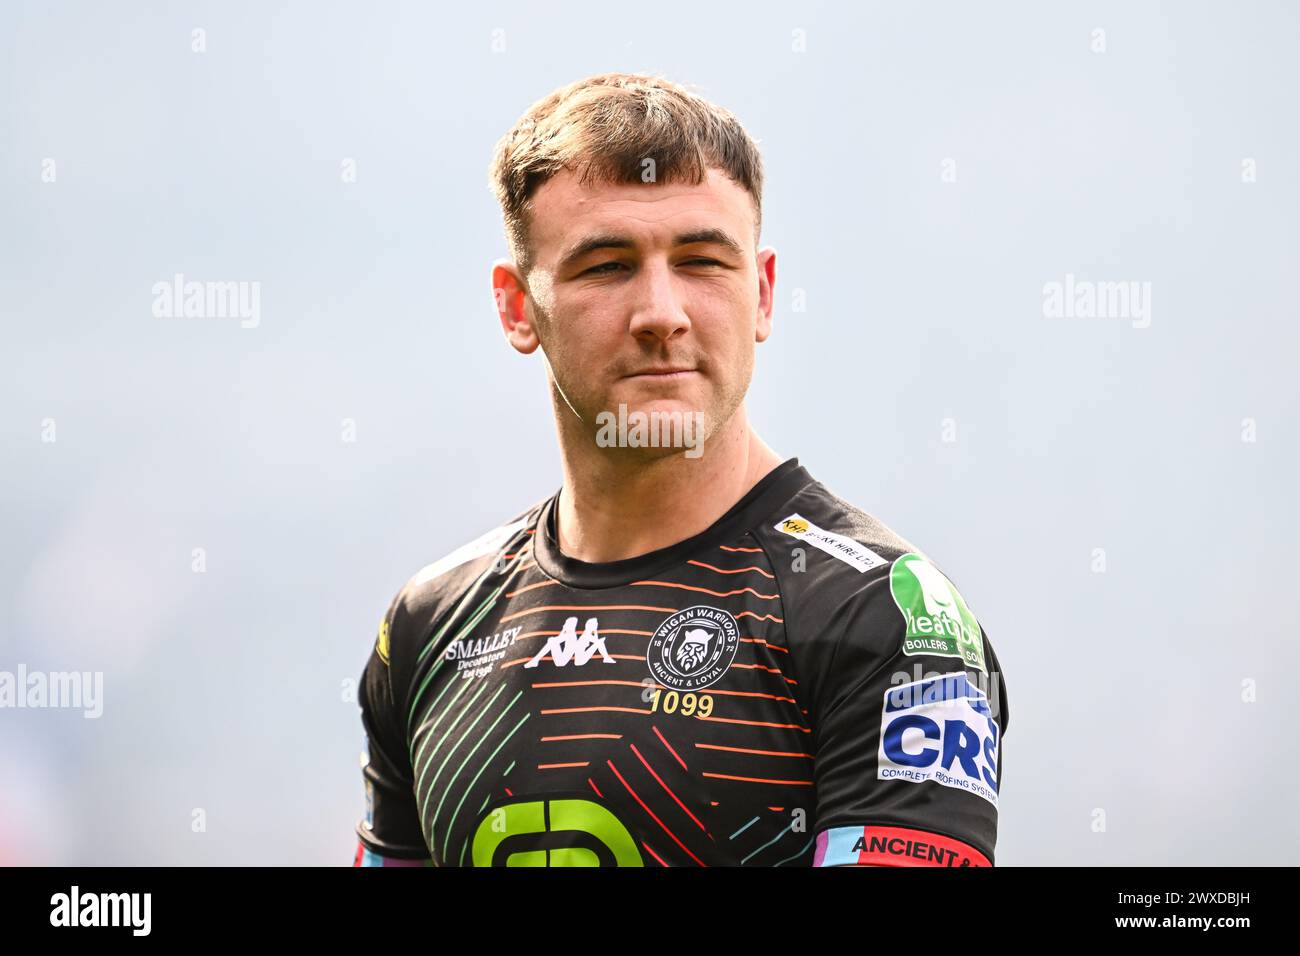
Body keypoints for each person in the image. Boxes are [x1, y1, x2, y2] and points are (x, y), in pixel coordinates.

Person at [352, 72, 1008, 868]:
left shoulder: (881, 616)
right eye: (606, 265)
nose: (662, 313)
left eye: (702, 262)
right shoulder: (431, 624)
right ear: (518, 307)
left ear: (762, 295)